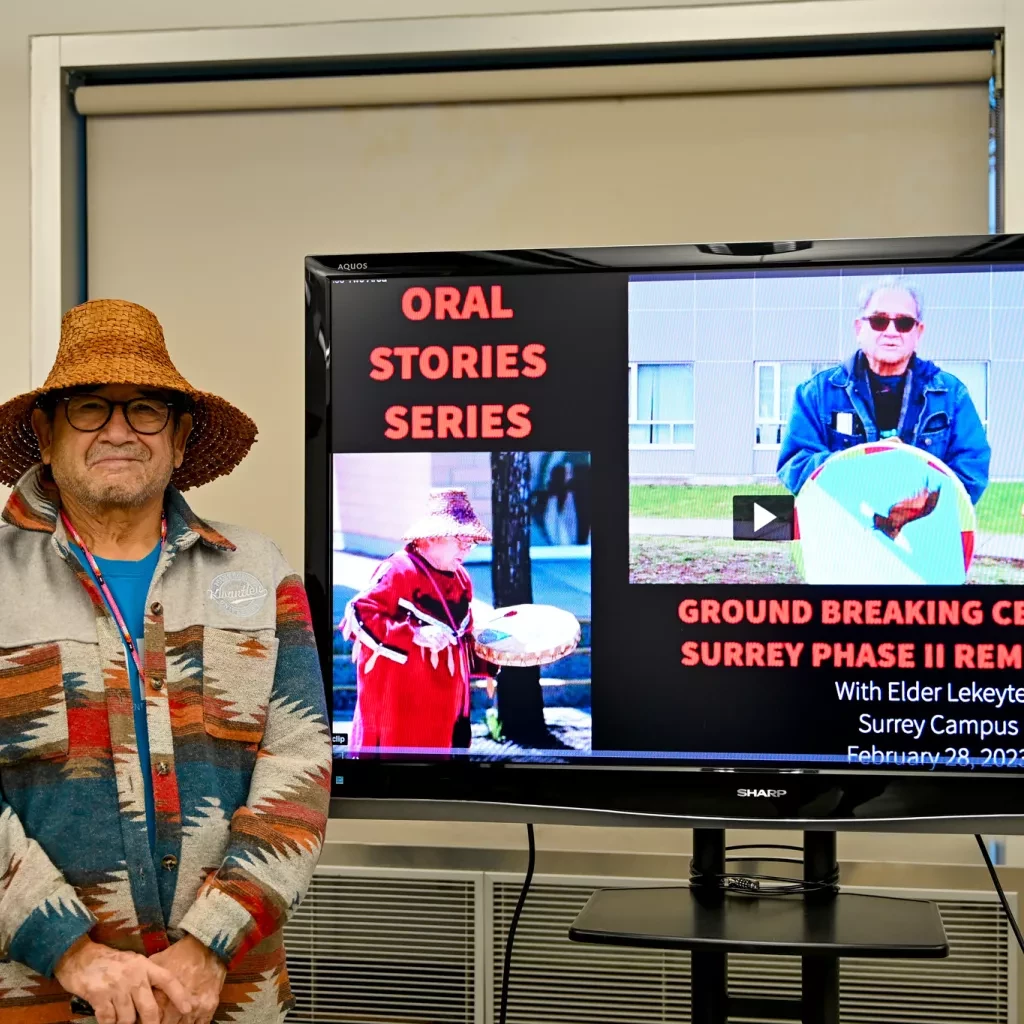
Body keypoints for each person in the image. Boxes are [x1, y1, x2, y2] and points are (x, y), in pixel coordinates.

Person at [0, 299, 331, 1023]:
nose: (118, 430)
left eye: (145, 409)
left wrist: (210, 944)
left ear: (179, 439)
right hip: (34, 995)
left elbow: (299, 763)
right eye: (89, 408)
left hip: (224, 992)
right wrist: (70, 948)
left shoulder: (259, 567)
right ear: (45, 434)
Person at [777, 278, 990, 503]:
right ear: (859, 328)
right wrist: (867, 465)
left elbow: (971, 472)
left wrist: (912, 496)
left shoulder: (951, 395)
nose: (891, 331)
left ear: (918, 332)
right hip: (841, 531)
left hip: (923, 533)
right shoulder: (816, 393)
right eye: (879, 320)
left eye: (904, 323)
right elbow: (796, 464)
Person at [341, 489, 495, 754]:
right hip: (401, 711)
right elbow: (359, 613)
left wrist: (492, 656)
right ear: (432, 537)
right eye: (460, 540)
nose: (467, 550)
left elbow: (463, 637)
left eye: (471, 543)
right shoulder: (399, 570)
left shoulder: (461, 579)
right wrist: (414, 634)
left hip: (447, 713)